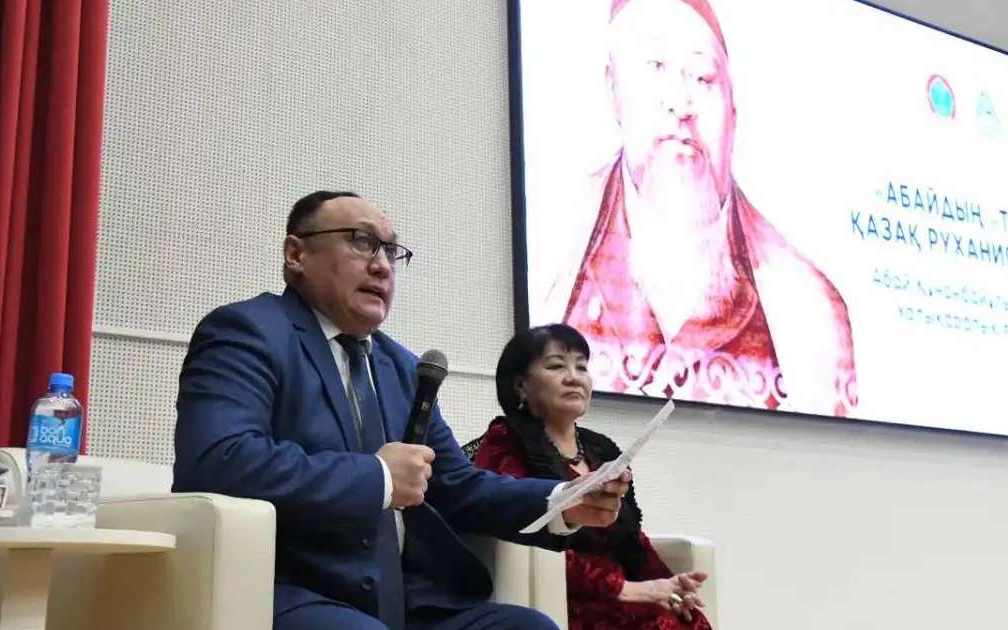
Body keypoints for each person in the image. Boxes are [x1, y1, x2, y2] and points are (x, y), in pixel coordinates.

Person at [173, 191, 632, 630]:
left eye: (391, 251)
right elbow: (218, 460)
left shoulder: (402, 367)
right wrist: (378, 477)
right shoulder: (247, 332)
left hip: (412, 601)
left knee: (528, 626)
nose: (381, 264)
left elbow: (456, 484)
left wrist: (564, 500)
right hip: (297, 590)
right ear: (297, 254)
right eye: (361, 241)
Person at [561, 0, 857, 415]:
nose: (682, 105)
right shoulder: (554, 244)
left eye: (703, 77)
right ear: (613, 89)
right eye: (657, 67)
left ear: (733, 113)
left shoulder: (811, 310)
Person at [472, 323, 712, 630]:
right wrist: (628, 589)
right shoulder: (507, 440)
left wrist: (666, 584)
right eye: (557, 365)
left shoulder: (602, 448)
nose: (574, 377)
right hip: (563, 595)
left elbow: (630, 537)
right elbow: (522, 539)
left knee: (689, 619)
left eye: (582, 367)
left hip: (622, 592)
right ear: (521, 385)